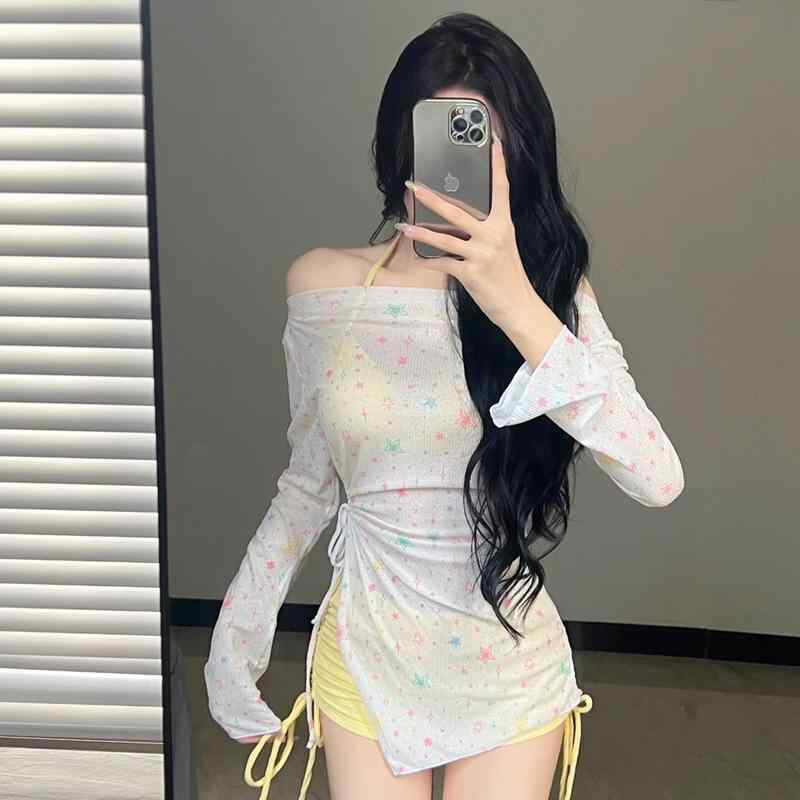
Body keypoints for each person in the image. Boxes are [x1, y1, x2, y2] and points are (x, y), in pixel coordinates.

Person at [204, 11, 684, 800]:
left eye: (487, 141)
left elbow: (657, 476)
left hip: (507, 669)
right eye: (447, 137)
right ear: (401, 148)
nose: (466, 166)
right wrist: (239, 635)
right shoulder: (323, 287)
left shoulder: (551, 294)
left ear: (520, 154)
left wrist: (512, 300)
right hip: (368, 651)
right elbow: (308, 483)